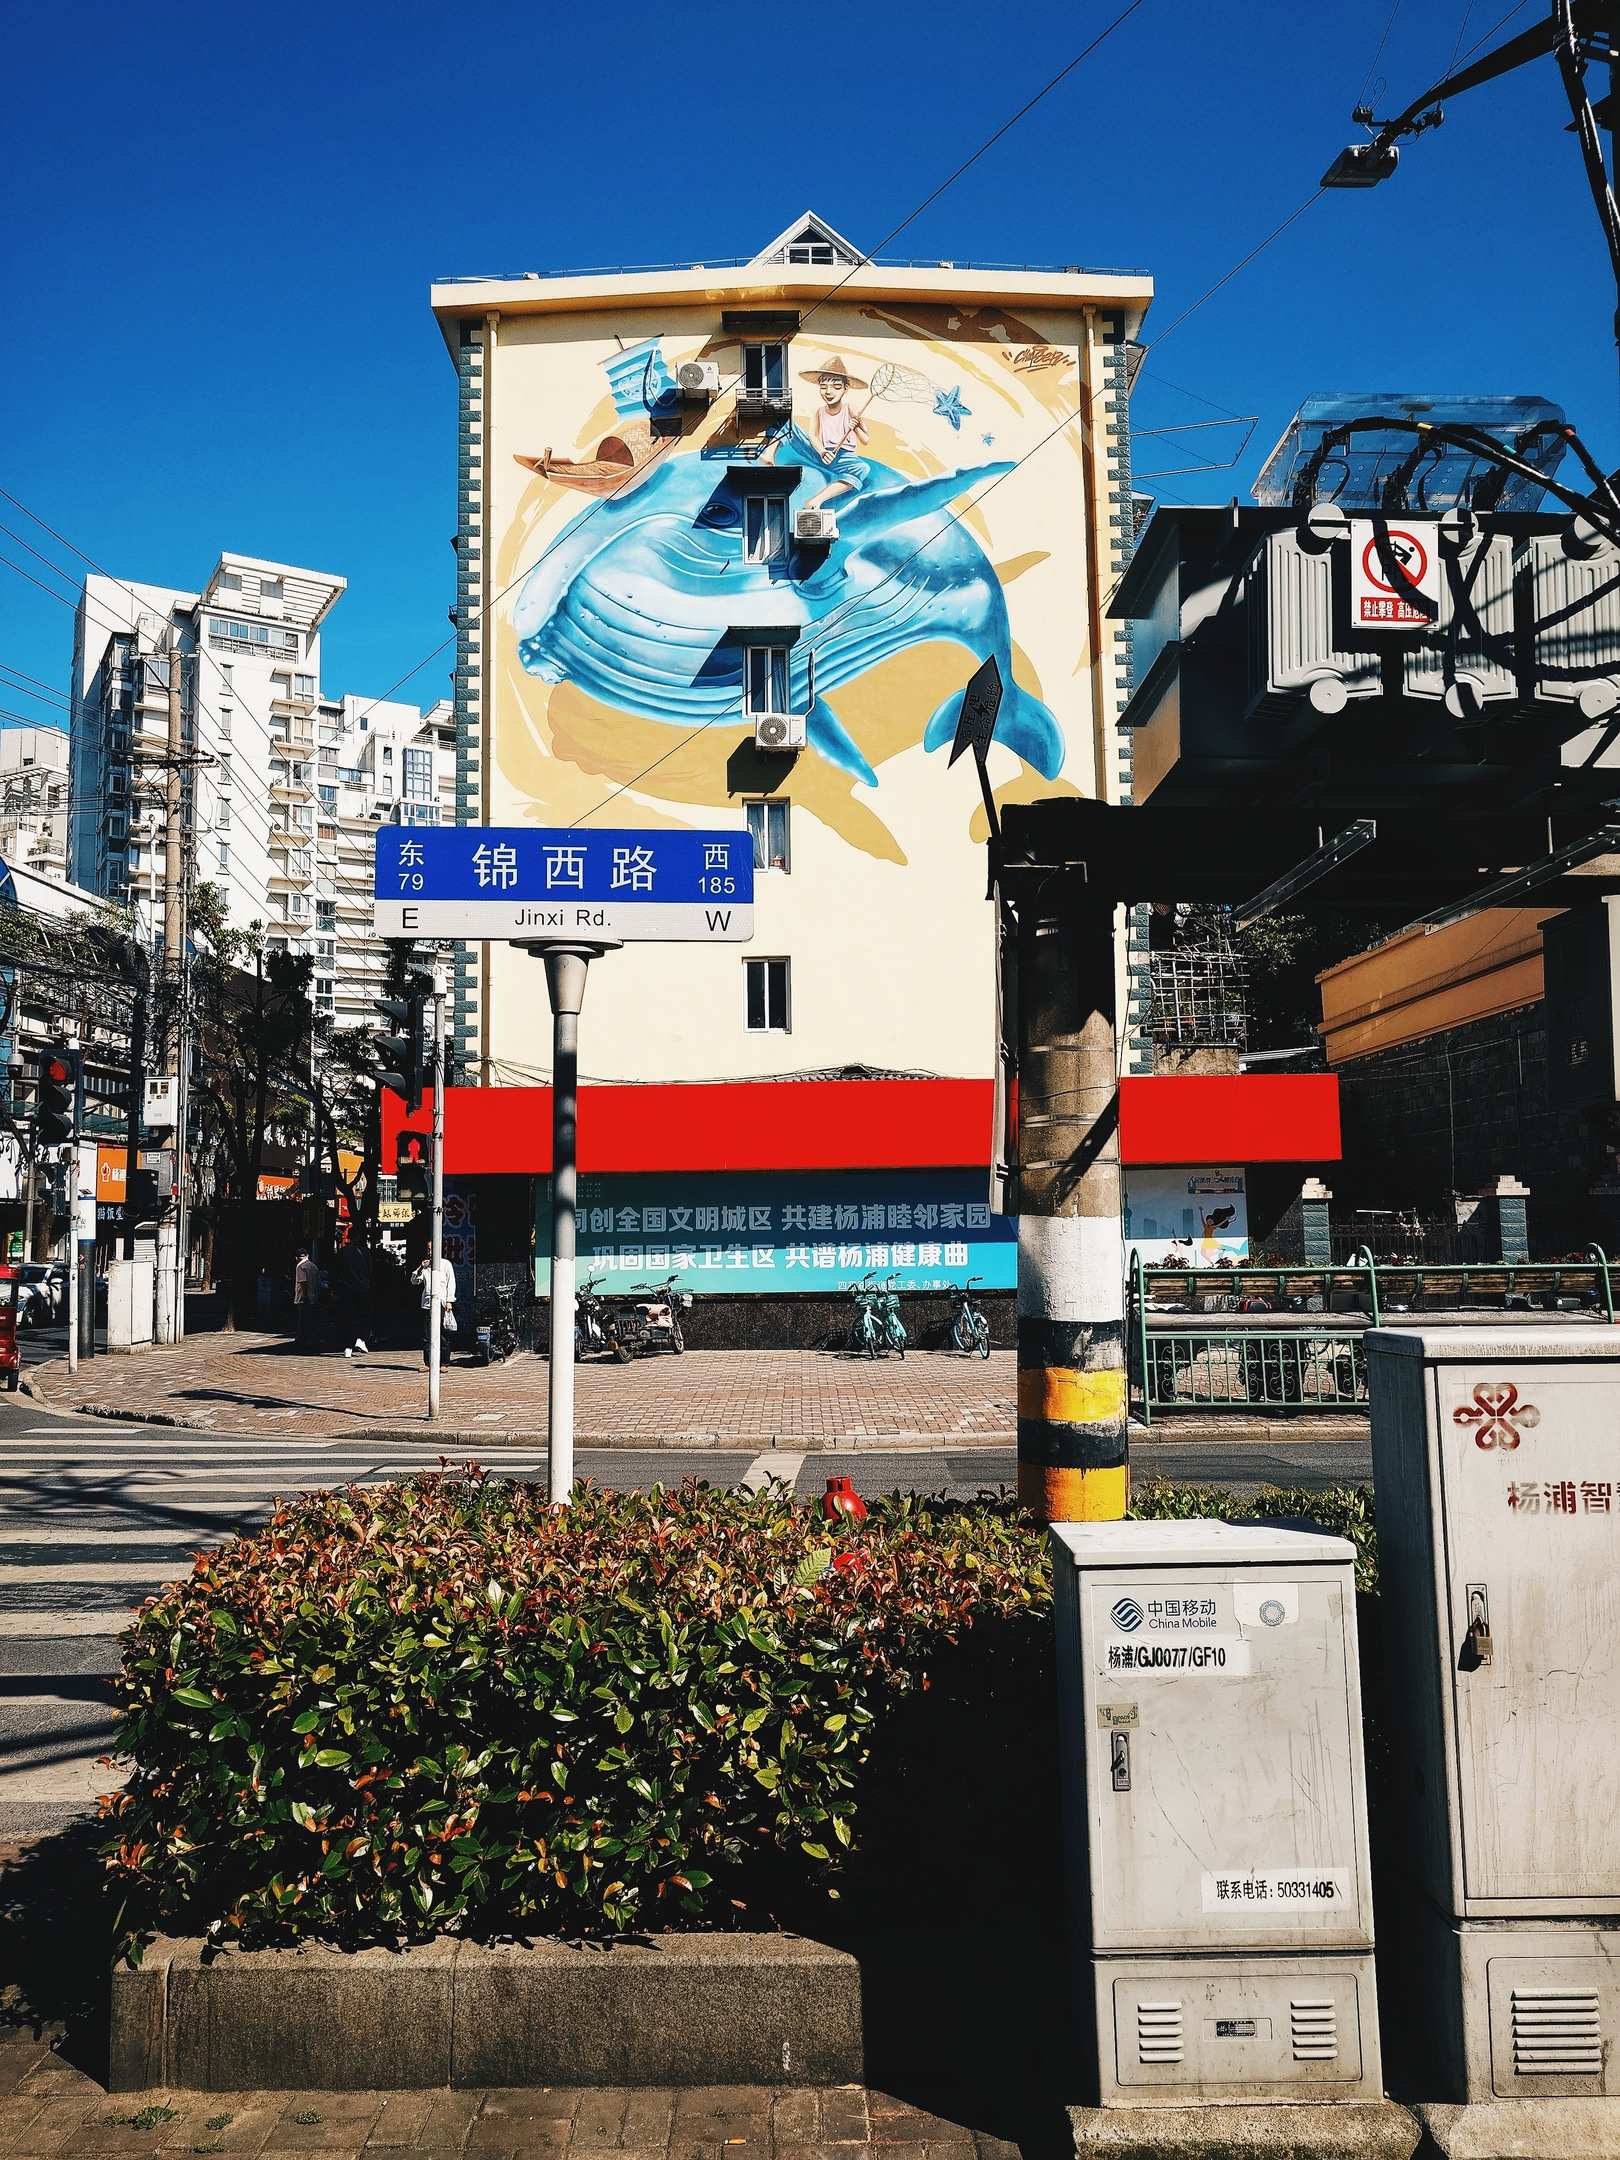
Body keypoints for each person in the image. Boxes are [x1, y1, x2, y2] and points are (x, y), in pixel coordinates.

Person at [411, 1251, 457, 1367]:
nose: (429, 1252)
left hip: (441, 1302)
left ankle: (444, 1362)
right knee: (427, 1335)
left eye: (432, 1249)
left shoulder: (445, 1264)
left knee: (442, 1334)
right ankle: (428, 1362)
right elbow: (414, 1281)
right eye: (427, 1250)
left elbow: (451, 1282)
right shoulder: (425, 1266)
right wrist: (421, 1267)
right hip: (427, 1303)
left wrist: (449, 1301)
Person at [337, 1237, 373, 1358]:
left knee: (347, 1317)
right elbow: (371, 1270)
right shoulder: (365, 1252)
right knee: (365, 1315)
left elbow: (336, 1270)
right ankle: (361, 1338)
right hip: (363, 1288)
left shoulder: (342, 1252)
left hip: (346, 1289)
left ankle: (348, 1347)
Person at [292, 1248, 320, 1352]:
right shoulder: (313, 1266)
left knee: (303, 1319)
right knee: (311, 1318)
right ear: (307, 1255)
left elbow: (302, 1282)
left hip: (303, 1297)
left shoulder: (300, 1267)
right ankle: (310, 1338)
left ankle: (303, 1339)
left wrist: (303, 1296)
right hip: (314, 1296)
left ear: (296, 1257)